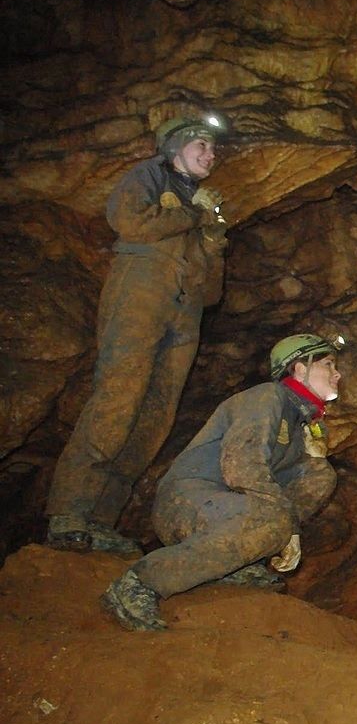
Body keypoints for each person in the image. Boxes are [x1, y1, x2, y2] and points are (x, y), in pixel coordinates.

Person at [46, 113, 230, 555]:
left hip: (184, 314)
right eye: (200, 145)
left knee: (154, 414)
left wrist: (213, 239)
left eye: (212, 148)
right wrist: (192, 213)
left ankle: (100, 520)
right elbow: (129, 222)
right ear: (174, 149)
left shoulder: (200, 208)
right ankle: (69, 512)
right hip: (140, 295)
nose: (209, 154)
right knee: (118, 397)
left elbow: (211, 293)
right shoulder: (149, 175)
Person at [101, 333, 343, 631]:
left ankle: (237, 565)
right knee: (273, 518)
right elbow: (241, 465)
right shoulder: (267, 397)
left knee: (320, 475)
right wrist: (288, 527)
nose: (337, 373)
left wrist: (313, 456)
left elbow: (297, 482)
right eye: (328, 364)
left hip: (226, 508)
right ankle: (139, 582)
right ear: (300, 369)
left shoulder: (297, 423)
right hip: (187, 501)